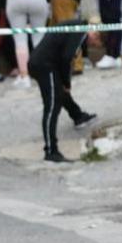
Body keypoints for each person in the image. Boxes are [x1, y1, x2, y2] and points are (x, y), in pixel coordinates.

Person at [29, 20, 99, 163]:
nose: (93, 46)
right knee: (52, 106)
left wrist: (63, 83)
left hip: (46, 62)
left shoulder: (77, 26)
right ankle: (50, 150)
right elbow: (67, 57)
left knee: (60, 93)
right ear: (95, 34)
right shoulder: (79, 32)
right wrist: (66, 82)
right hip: (45, 65)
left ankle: (78, 115)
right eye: (95, 43)